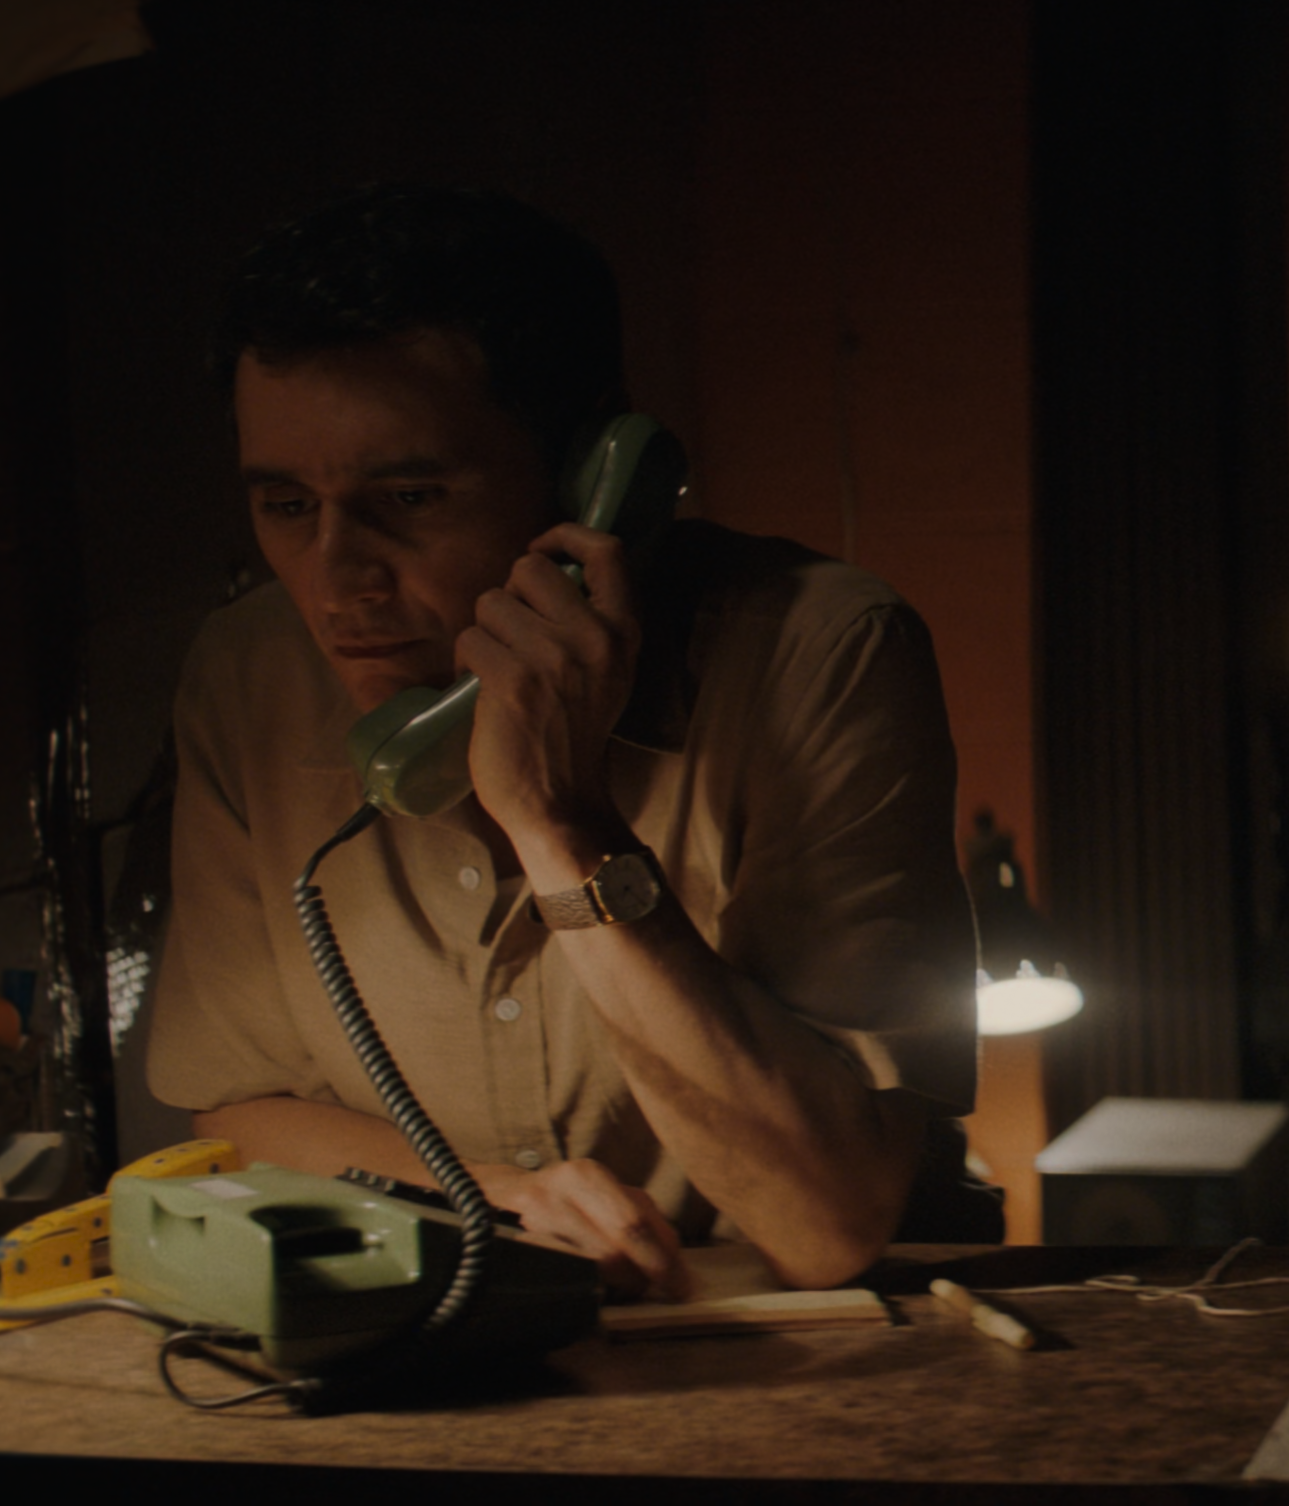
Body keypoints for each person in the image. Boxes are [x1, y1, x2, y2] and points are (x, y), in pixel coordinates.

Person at [147, 184, 987, 1298]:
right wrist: (490, 1198)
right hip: (447, 1346)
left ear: (597, 478)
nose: (338, 581)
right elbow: (236, 1113)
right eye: (288, 506)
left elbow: (826, 1224)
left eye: (410, 495)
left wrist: (561, 826)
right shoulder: (244, 674)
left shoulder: (820, 652)